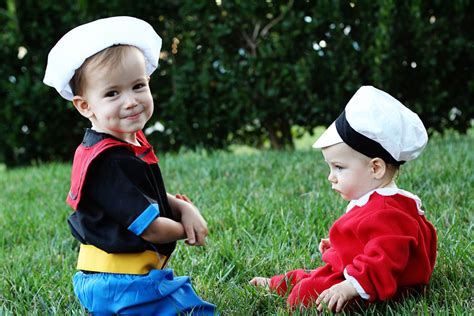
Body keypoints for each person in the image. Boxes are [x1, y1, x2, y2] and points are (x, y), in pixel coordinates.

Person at [43, 16, 217, 315]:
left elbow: (145, 198)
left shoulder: (124, 144)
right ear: (85, 106)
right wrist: (187, 229)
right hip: (121, 282)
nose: (131, 101)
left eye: (138, 86)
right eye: (112, 93)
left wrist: (184, 208)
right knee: (192, 310)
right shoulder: (107, 162)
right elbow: (150, 229)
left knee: (181, 297)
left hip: (121, 277)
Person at [250, 86, 437, 313]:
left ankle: (288, 287)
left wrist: (350, 286)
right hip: (362, 274)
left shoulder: (388, 212)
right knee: (317, 273)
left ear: (375, 168)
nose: (331, 177)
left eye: (339, 167)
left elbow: (386, 259)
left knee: (306, 292)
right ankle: (277, 283)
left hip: (382, 286)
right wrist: (341, 246)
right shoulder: (379, 200)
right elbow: (369, 241)